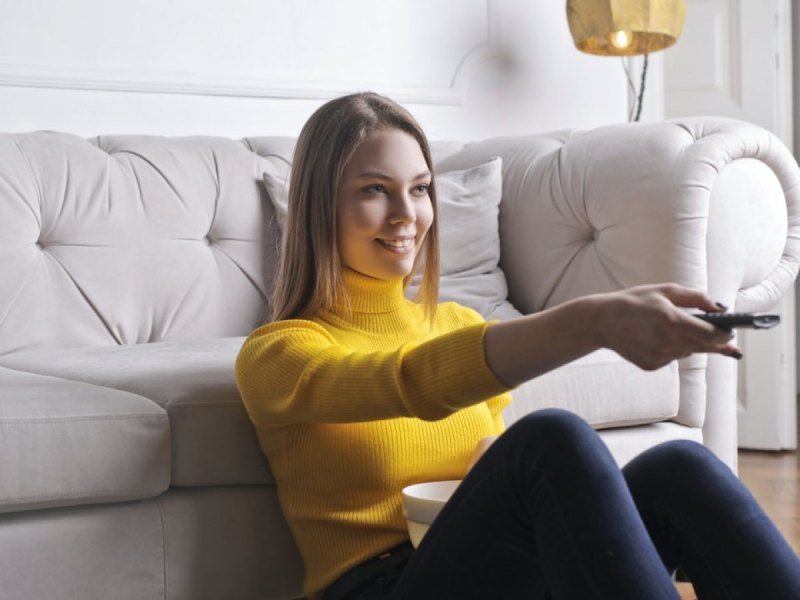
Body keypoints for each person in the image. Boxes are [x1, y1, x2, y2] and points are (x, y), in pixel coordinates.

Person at [235, 92, 800, 600]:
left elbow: (489, 466)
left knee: (680, 468)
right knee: (549, 438)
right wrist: (594, 320)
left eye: (421, 189)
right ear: (320, 205)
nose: (407, 215)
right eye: (375, 190)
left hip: (497, 575)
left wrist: (491, 468)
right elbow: (410, 381)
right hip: (385, 585)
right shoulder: (278, 354)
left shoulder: (454, 322)